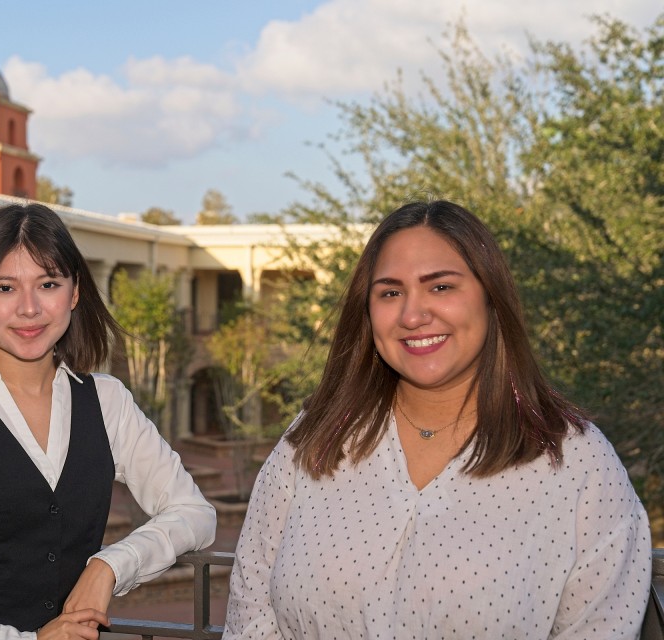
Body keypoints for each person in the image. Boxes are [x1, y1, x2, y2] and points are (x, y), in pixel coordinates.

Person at [223, 200, 652, 638]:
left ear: (491, 297)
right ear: (368, 313)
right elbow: (251, 609)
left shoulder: (576, 461)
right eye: (390, 292)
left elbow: (601, 627)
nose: (412, 315)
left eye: (441, 287)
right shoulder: (314, 437)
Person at [0, 203, 216, 640]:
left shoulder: (107, 401)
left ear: (74, 293)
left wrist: (110, 565)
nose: (29, 308)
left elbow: (195, 513)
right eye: (5, 287)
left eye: (48, 284)